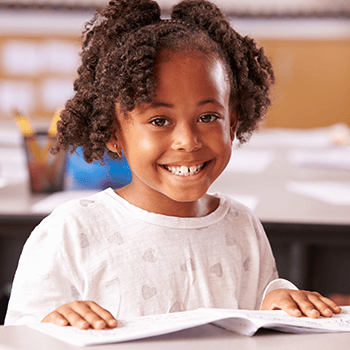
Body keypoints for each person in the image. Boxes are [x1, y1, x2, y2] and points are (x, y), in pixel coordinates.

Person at [5, 0, 340, 330]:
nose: (188, 141)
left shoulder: (242, 227)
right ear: (112, 132)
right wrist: (51, 325)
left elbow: (251, 322)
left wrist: (277, 303)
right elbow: (21, 334)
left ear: (233, 123)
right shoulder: (71, 232)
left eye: (208, 117)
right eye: (160, 120)